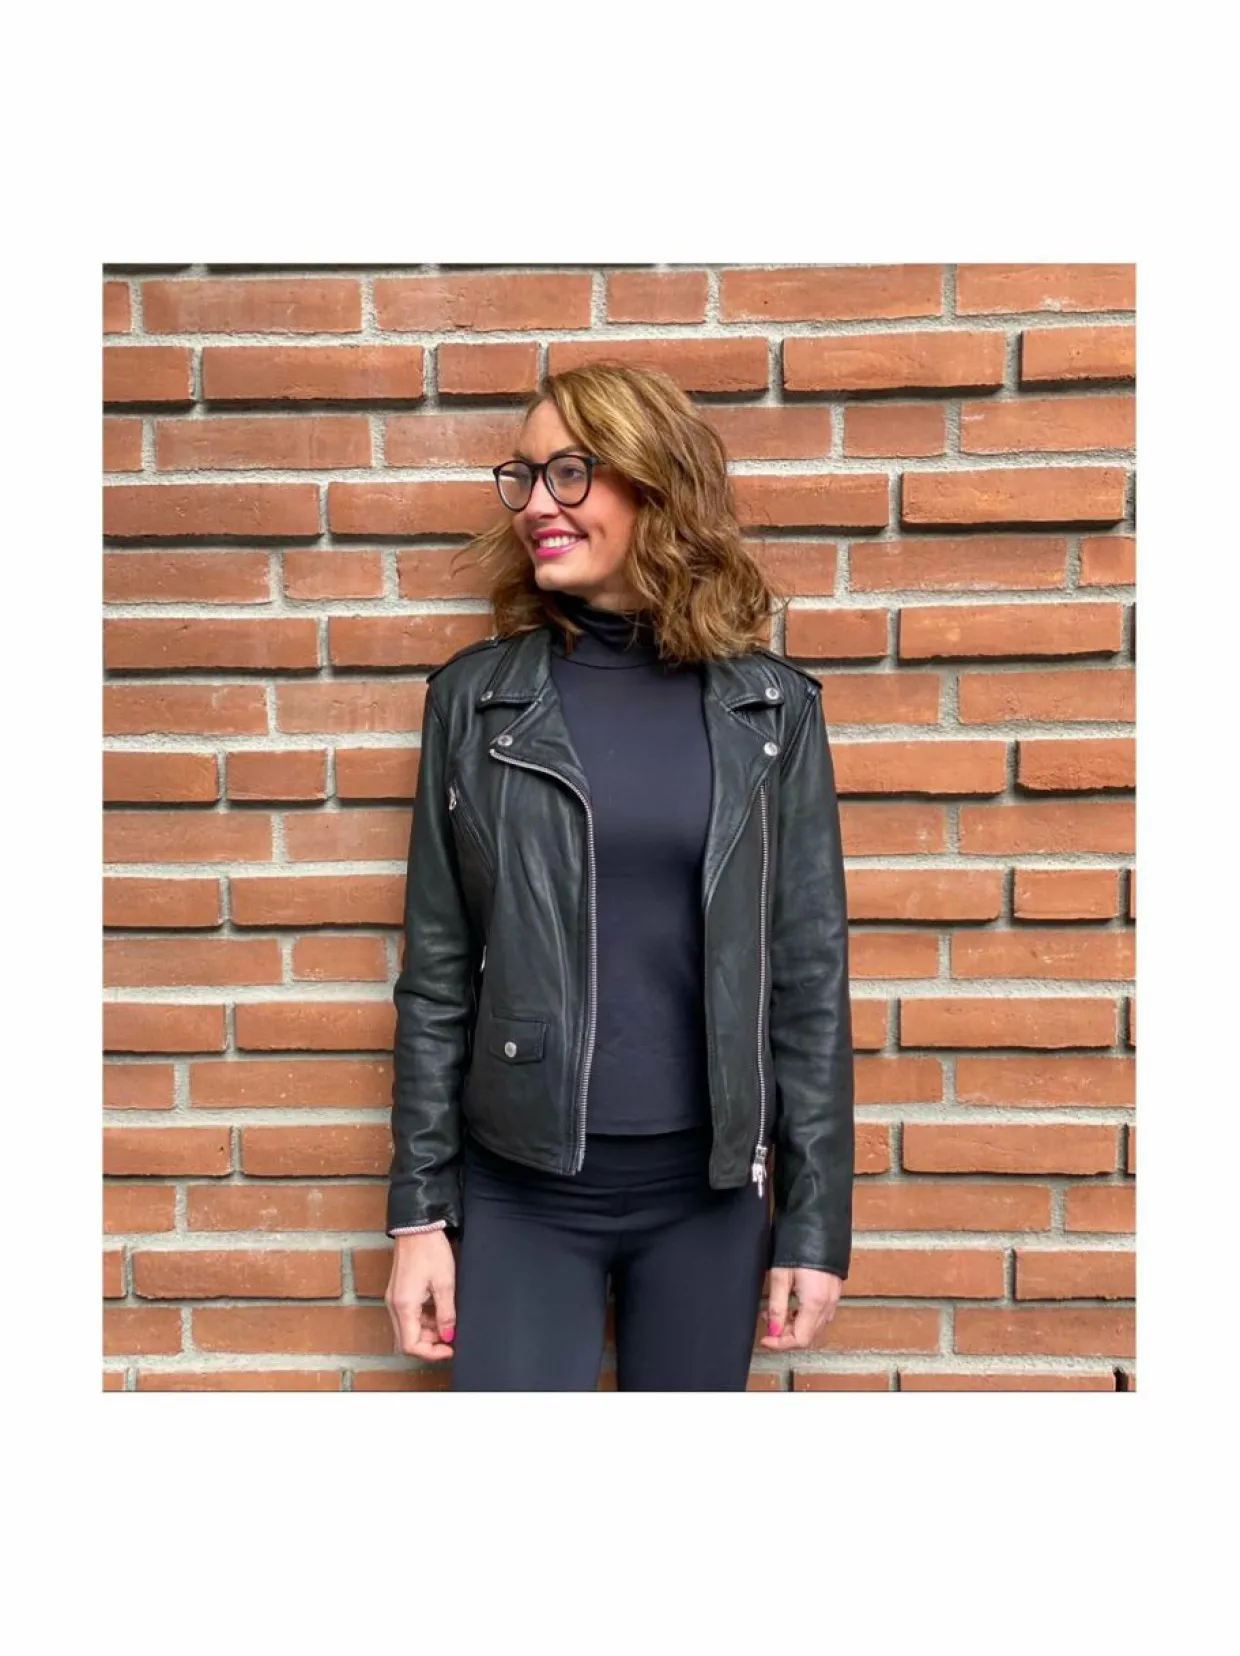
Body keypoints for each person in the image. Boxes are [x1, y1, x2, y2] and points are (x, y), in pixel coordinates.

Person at [383, 361, 854, 1391]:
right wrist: (419, 1217)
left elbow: (808, 980)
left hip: (710, 1196)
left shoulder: (770, 711)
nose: (534, 505)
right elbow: (436, 977)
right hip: (521, 1189)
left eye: (570, 473)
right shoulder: (475, 704)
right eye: (524, 476)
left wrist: (815, 1227)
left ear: (655, 485)